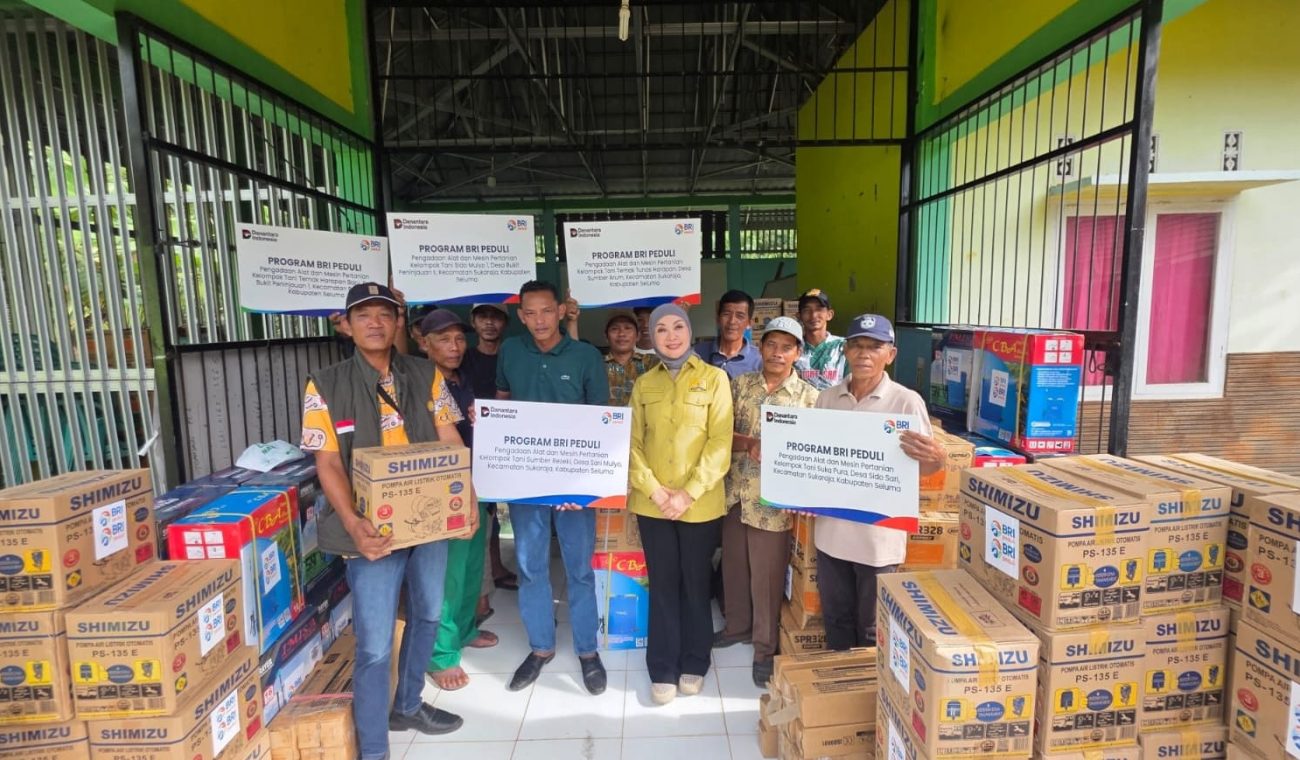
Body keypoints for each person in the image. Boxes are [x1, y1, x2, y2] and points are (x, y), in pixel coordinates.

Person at [302, 283, 469, 760]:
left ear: (398, 323)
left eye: (384, 314)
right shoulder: (324, 385)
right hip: (369, 532)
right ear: (346, 325)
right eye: (364, 315)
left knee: (428, 613)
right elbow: (328, 463)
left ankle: (409, 705)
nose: (375, 323)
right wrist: (354, 524)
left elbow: (449, 437)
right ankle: (375, 749)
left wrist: (466, 500)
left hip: (429, 521)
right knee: (374, 645)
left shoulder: (425, 373)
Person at [496, 281, 611, 694]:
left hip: (573, 482)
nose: (539, 320)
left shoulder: (585, 356)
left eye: (547, 311)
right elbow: (502, 402)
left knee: (579, 568)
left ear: (561, 311)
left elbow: (600, 421)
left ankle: (587, 651)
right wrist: (488, 422)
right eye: (531, 313)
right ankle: (541, 647)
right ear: (521, 316)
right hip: (526, 479)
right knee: (530, 566)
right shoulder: (511, 351)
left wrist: (586, 485)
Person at [812, 314, 946, 650]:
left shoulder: (906, 402)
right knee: (836, 620)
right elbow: (812, 461)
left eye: (875, 346)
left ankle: (871, 684)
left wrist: (938, 458)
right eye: (857, 345)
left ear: (891, 354)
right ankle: (841, 681)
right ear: (845, 350)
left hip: (878, 538)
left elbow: (926, 467)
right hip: (831, 533)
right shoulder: (827, 399)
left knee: (872, 627)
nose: (864, 353)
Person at [628, 304, 733, 705]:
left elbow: (720, 442)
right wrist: (656, 491)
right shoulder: (644, 384)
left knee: (695, 582)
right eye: (661, 330)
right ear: (651, 337)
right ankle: (662, 666)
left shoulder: (714, 379)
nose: (671, 336)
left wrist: (688, 493)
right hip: (653, 504)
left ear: (690, 332)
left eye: (678, 327)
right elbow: (632, 444)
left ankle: (694, 660)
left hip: (699, 504)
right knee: (663, 582)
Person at [714, 317, 820, 687]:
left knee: (767, 577)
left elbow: (815, 451)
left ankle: (764, 648)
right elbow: (719, 433)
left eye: (786, 347)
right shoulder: (740, 385)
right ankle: (737, 627)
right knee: (734, 567)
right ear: (759, 346)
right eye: (771, 344)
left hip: (774, 503)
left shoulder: (810, 398)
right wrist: (750, 443)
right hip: (735, 494)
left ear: (798, 353)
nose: (777, 352)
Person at [419, 309, 500, 691]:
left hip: (475, 481)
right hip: (444, 489)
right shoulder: (421, 381)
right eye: (444, 339)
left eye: (458, 339)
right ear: (424, 344)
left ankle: (465, 630)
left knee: (470, 565)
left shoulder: (460, 378)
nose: (454, 346)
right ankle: (441, 655)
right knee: (448, 574)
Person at [461, 303, 518, 591]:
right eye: (483, 316)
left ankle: (495, 568)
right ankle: (484, 580)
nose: (489, 323)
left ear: (505, 323)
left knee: (504, 511)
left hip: (511, 444)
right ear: (473, 321)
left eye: (496, 317)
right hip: (469, 444)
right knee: (481, 514)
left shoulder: (514, 358)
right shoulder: (463, 358)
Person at [694, 290, 762, 380]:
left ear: (749, 323)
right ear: (718, 319)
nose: (732, 321)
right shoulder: (697, 353)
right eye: (726, 314)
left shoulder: (759, 360)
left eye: (740, 316)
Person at [794, 289, 847, 390]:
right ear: (799, 316)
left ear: (829, 314)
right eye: (807, 310)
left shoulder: (843, 347)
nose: (813, 315)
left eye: (819, 309)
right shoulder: (792, 348)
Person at [604, 311, 659, 406]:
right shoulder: (596, 365)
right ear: (606, 337)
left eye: (628, 328)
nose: (622, 334)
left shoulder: (652, 363)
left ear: (638, 336)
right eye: (615, 329)